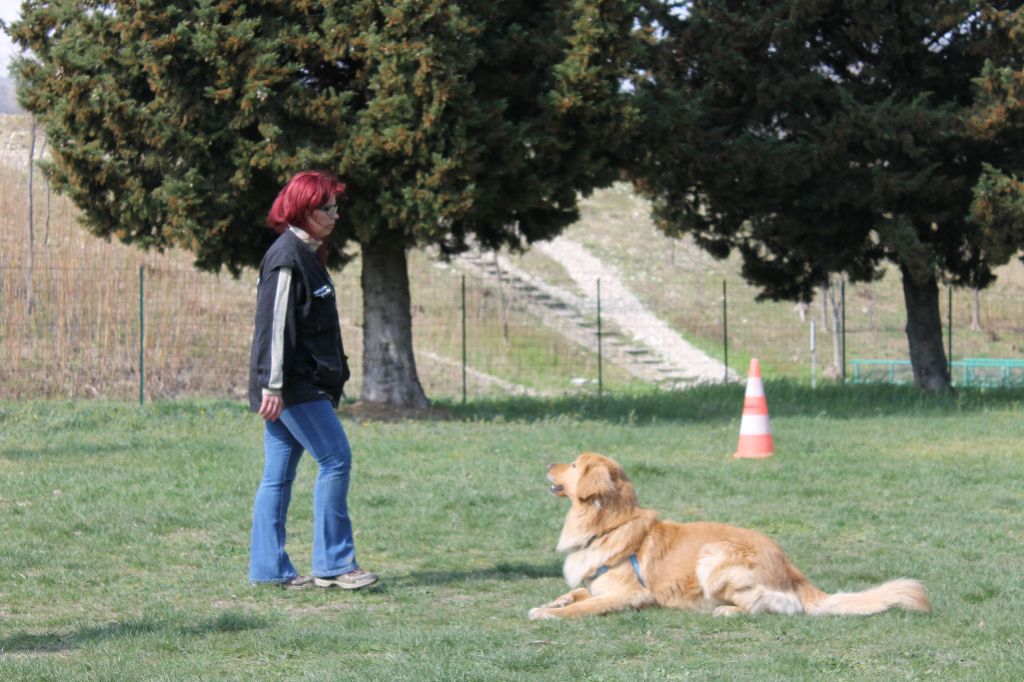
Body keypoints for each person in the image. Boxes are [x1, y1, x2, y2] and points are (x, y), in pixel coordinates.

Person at [247, 170, 378, 590]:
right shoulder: (287, 257)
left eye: (336, 206)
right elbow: (273, 327)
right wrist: (272, 386)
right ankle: (335, 565)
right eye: (328, 208)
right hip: (292, 386)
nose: (336, 215)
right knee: (335, 459)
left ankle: (270, 571)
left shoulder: (308, 252)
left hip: (297, 384)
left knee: (278, 476)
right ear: (304, 209)